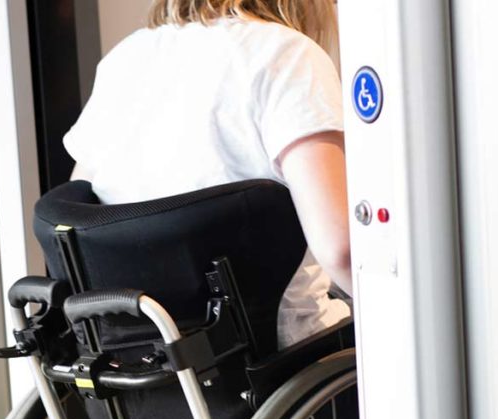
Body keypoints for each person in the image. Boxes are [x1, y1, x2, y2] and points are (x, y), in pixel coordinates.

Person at [65, 0, 352, 348]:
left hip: (141, 359)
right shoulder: (288, 54)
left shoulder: (125, 58)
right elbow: (341, 251)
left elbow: (78, 216)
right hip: (278, 353)